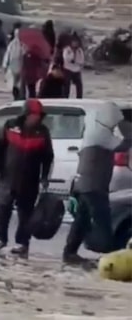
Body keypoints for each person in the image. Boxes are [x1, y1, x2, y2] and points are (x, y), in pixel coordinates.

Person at [63, 106, 130, 264]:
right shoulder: (101, 135)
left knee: (82, 220)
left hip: (84, 185)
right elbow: (123, 145)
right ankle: (110, 257)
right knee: (102, 221)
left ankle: (70, 252)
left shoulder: (93, 132)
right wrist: (128, 130)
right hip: (94, 187)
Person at [0, 98, 54, 258]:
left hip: (30, 180)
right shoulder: (10, 126)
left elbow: (48, 157)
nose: (36, 118)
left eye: (38, 115)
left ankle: (22, 242)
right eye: (33, 115)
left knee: (26, 213)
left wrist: (44, 177)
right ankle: (0, 239)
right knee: (3, 210)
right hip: (7, 177)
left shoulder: (43, 132)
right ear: (25, 114)